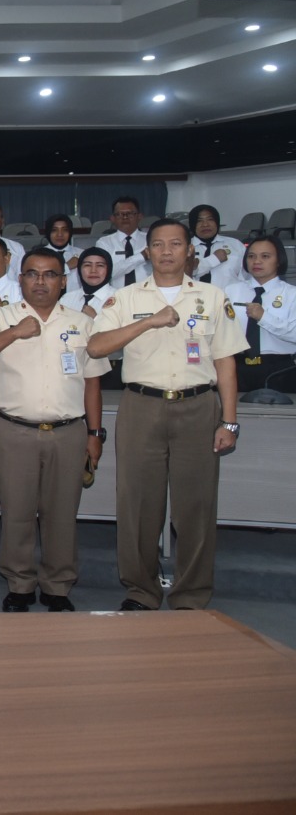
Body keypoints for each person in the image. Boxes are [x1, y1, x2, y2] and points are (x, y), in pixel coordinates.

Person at [88, 219, 247, 611]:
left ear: (189, 250)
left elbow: (226, 362)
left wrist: (229, 421)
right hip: (142, 406)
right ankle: (141, 590)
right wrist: (149, 322)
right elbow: (96, 347)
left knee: (196, 506)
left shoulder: (212, 296)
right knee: (138, 504)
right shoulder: (124, 298)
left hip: (198, 406)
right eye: (158, 245)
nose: (167, 251)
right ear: (147, 252)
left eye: (176, 244)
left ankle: (191, 594)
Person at [0, 249, 108, 612]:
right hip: (15, 432)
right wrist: (13, 333)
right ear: (21, 278)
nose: (40, 282)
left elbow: (93, 384)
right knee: (17, 512)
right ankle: (20, 583)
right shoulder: (1, 317)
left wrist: (95, 433)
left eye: (49, 275)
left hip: (69, 432)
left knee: (62, 513)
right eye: (32, 274)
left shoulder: (82, 323)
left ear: (63, 281)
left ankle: (58, 586)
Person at [224, 238, 295, 392]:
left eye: (265, 256)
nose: (257, 261)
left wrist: (264, 317)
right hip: (237, 366)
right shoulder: (231, 291)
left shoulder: (291, 294)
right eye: (251, 256)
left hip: (279, 370)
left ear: (279, 260)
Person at [95, 196, 150, 288]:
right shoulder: (104, 243)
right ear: (112, 218)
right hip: (115, 297)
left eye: (130, 213)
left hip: (147, 295)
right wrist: (141, 256)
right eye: (120, 214)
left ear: (140, 216)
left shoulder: (150, 239)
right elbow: (105, 273)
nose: (125, 217)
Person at [189, 204, 247, 289]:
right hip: (193, 300)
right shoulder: (184, 247)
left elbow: (247, 276)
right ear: (192, 224)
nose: (205, 224)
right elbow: (182, 274)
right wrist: (214, 259)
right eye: (199, 221)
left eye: (210, 219)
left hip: (229, 300)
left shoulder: (235, 245)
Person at [62, 248, 115, 318]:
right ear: (79, 269)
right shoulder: (67, 299)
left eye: (100, 265)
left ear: (109, 269)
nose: (93, 271)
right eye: (87, 265)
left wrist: (96, 319)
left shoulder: (120, 298)